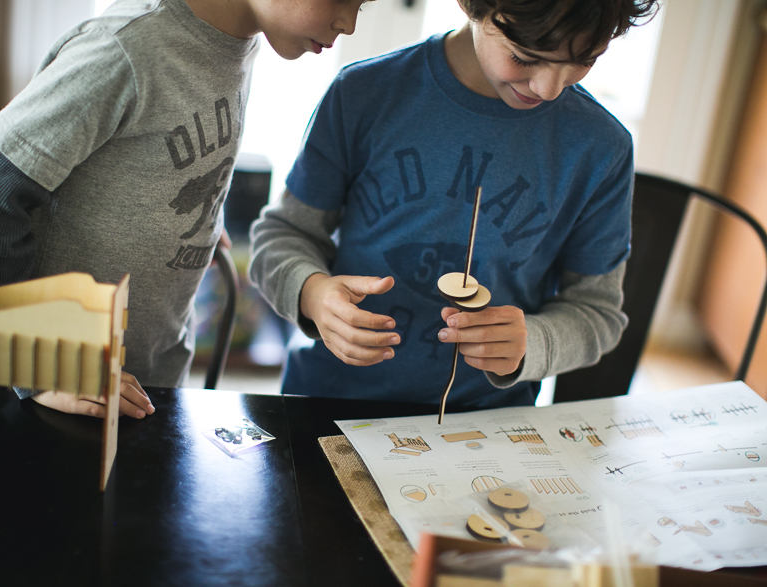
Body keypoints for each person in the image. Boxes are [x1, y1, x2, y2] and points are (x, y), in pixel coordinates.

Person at [0, 0, 367, 419]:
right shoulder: (129, 48)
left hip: (143, 379)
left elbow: (160, 150)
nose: (347, 23)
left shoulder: (239, 40)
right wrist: (34, 364)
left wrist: (199, 219)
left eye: (361, 6)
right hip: (56, 393)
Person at [249, 0, 659, 409]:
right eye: (523, 57)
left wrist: (534, 342)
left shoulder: (601, 147)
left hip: (483, 423)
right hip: (327, 402)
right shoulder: (364, 93)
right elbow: (282, 237)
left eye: (584, 60)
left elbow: (598, 313)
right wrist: (312, 293)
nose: (550, 88)